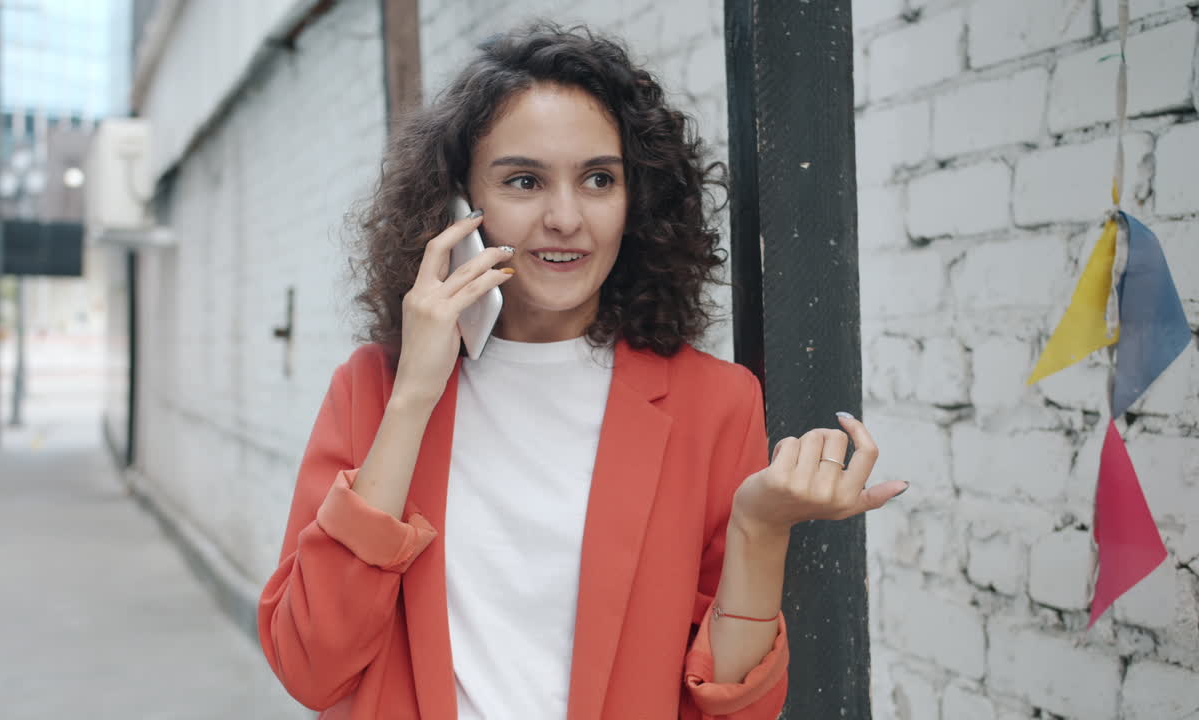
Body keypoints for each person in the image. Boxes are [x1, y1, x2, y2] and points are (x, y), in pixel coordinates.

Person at [258, 22, 905, 720]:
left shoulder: (712, 402)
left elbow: (735, 710)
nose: (565, 217)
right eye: (524, 181)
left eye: (599, 179)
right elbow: (310, 664)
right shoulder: (372, 389)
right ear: (455, 206)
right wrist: (415, 393)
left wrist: (759, 528)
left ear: (638, 201)